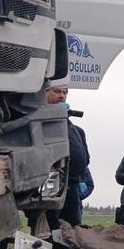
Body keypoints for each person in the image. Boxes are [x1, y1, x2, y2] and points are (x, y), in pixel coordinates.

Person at [45, 84, 90, 227]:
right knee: (52, 225)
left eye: (64, 92)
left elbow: (85, 157)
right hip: (51, 185)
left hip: (73, 184)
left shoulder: (75, 129)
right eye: (57, 91)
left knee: (73, 226)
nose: (62, 95)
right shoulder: (41, 123)